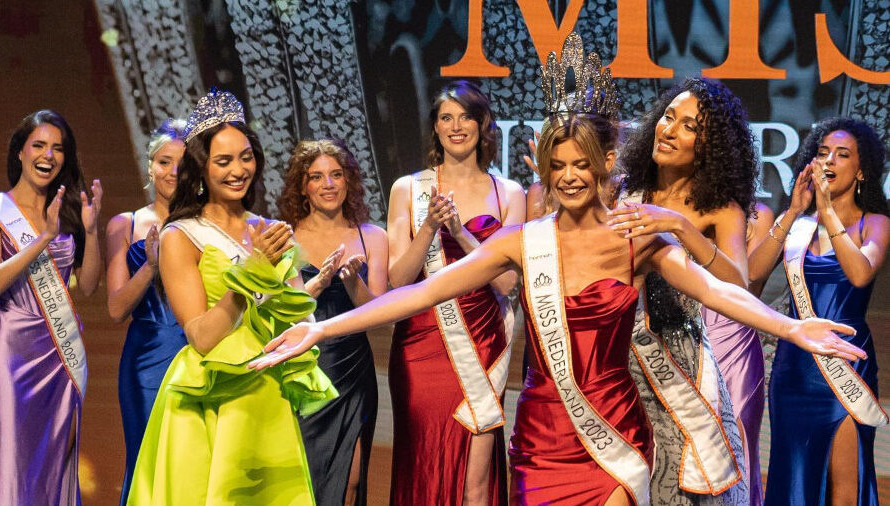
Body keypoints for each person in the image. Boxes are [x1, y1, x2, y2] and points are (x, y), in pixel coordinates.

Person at [251, 34, 864, 506]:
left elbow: (719, 291)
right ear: (544, 172)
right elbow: (420, 295)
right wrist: (322, 328)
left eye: (581, 164)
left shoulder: (635, 238)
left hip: (616, 428)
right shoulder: (522, 242)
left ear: (605, 168)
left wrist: (792, 328)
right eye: (557, 166)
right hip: (543, 434)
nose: (569, 177)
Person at [126, 90, 337, 505]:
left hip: (266, 391)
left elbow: (298, 321)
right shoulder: (180, 235)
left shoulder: (270, 230)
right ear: (201, 167)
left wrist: (300, 307)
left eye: (245, 157)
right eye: (223, 161)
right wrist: (253, 272)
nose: (238, 170)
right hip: (213, 393)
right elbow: (202, 337)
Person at [610, 77, 761, 504]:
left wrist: (680, 227)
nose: (670, 130)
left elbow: (739, 285)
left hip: (681, 365)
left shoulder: (721, 209)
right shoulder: (621, 190)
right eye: (668, 117)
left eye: (689, 126)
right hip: (616, 358)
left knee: (678, 482)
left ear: (709, 147)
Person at [379, 79, 525, 504]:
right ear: (436, 127)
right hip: (421, 345)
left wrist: (460, 232)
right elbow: (397, 282)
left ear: (483, 125)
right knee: (423, 460)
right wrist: (429, 227)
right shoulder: (408, 189)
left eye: (465, 117)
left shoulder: (508, 193)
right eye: (446, 118)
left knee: (474, 482)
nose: (456, 127)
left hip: (483, 345)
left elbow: (507, 284)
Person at [749, 117, 889, 506]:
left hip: (845, 365)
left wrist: (828, 212)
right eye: (822, 152)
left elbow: (859, 274)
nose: (828, 160)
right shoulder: (799, 227)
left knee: (845, 487)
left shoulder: (875, 223)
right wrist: (794, 211)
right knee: (793, 478)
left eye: (842, 154)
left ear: (861, 171)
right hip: (794, 368)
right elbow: (753, 276)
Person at [0, 110, 103, 505]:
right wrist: (42, 239)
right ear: (20, 152)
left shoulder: (68, 212)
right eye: (38, 145)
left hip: (62, 358)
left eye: (58, 148)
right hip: (13, 356)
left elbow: (89, 285)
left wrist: (91, 230)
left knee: (55, 466)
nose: (48, 155)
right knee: (11, 462)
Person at [278, 138, 389, 506]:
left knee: (351, 481)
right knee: (305, 479)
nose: (328, 184)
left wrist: (352, 282)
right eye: (317, 177)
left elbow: (378, 314)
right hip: (304, 369)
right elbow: (283, 310)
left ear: (348, 181)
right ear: (302, 187)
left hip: (352, 369)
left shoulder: (372, 237)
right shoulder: (284, 236)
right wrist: (318, 283)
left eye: (336, 175)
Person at [104, 118, 188, 505]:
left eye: (183, 164)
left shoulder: (209, 224)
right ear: (150, 165)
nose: (173, 172)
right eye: (164, 162)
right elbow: (116, 308)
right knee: (147, 465)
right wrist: (150, 267)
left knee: (192, 467)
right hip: (146, 361)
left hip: (199, 354)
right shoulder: (126, 224)